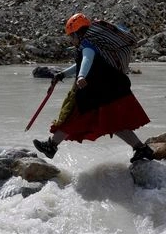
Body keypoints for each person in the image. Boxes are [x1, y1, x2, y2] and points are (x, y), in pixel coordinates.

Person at [33, 13, 155, 163]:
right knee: (114, 124)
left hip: (97, 94)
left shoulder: (87, 45)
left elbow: (87, 59)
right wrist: (62, 74)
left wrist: (81, 76)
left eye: (71, 36)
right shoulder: (93, 45)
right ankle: (142, 149)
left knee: (73, 118)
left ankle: (51, 146)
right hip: (109, 91)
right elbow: (80, 64)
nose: (71, 40)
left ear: (77, 34)